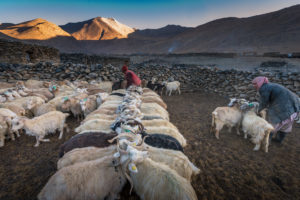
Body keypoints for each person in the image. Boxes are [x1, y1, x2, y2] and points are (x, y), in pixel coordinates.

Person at [252, 76, 300, 144]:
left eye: (255, 84)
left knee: (272, 123)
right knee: (286, 125)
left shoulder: (263, 88)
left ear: (260, 83)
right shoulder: (272, 85)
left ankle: (266, 141)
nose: (254, 86)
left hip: (283, 108)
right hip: (295, 107)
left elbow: (263, 103)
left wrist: (258, 111)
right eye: (253, 84)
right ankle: (278, 140)